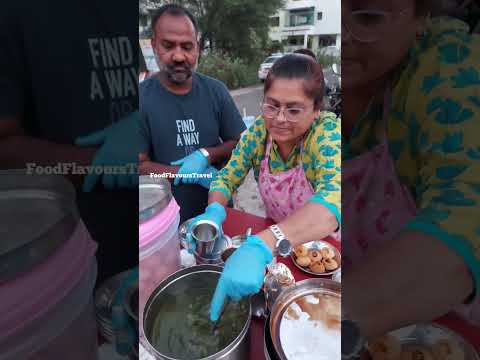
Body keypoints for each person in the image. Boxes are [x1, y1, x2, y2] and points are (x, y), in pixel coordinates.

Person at [341, 0, 480, 356]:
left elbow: (466, 216)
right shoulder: (339, 99)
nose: (341, 37)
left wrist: (324, 321)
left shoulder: (448, 68)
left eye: (368, 16)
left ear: (421, 17)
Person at [185, 54, 341, 320]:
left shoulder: (325, 134)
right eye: (272, 106)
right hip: (275, 243)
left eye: (293, 110)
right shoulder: (259, 133)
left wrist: (263, 244)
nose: (279, 119)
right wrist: (213, 211)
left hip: (320, 244)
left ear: (316, 110)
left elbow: (335, 198)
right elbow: (227, 177)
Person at [138, 4, 246, 222]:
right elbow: (139, 167)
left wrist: (206, 154)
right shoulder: (140, 99)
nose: (178, 56)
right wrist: (183, 174)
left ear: (197, 48)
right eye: (168, 45)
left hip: (218, 211)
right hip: (166, 220)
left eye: (187, 47)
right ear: (154, 45)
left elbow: (239, 141)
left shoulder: (216, 91)